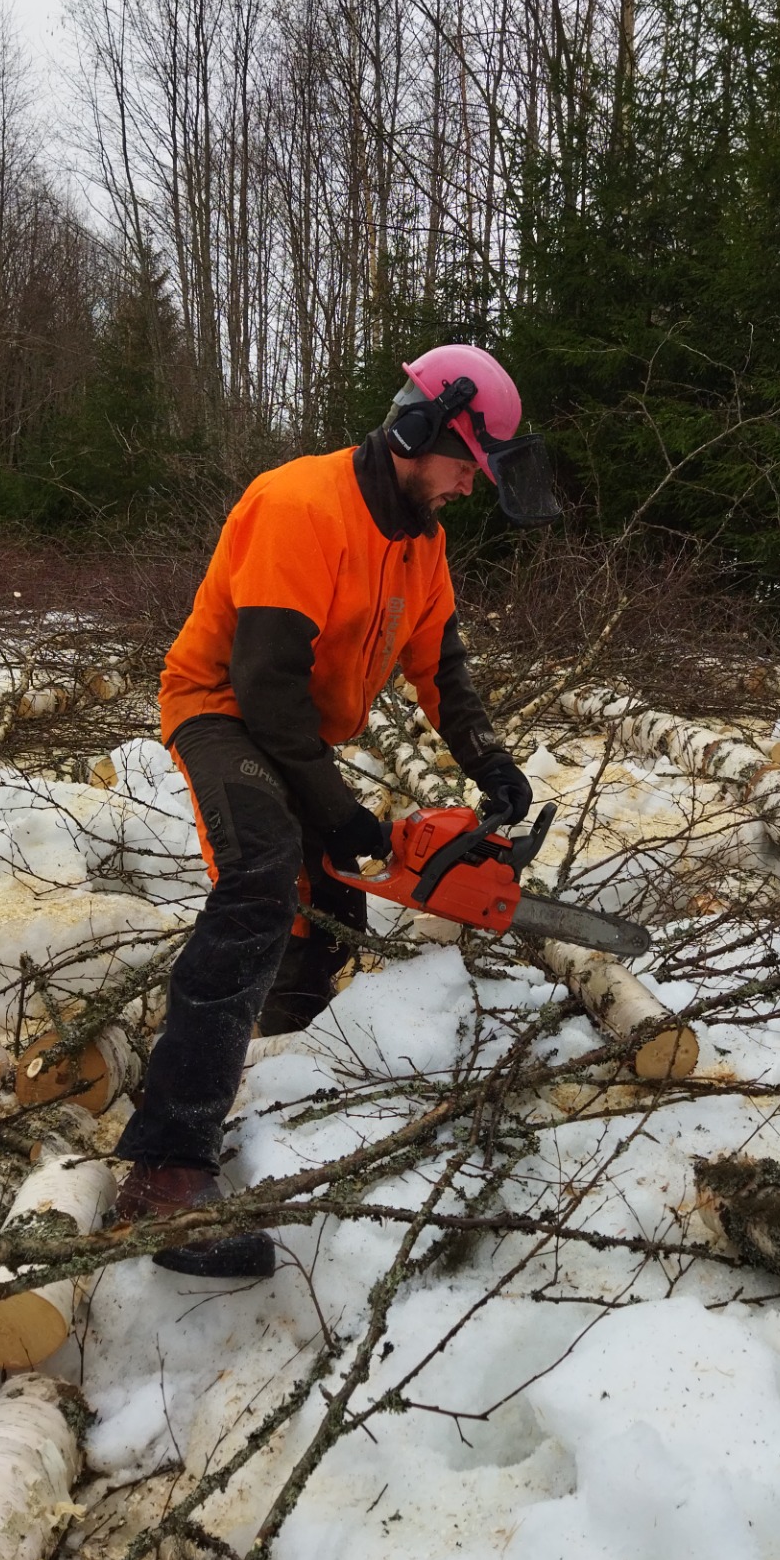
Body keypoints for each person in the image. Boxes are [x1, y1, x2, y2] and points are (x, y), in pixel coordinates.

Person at [113, 344, 559, 1276]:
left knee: (331, 915)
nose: (470, 490)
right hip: (223, 709)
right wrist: (342, 811)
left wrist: (492, 764)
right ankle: (164, 1168)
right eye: (466, 468)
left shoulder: (422, 544)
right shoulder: (301, 507)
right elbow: (265, 685)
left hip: (293, 731)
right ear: (417, 433)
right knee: (264, 876)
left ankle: (266, 1074)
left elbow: (441, 665)